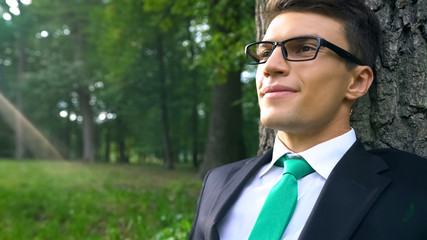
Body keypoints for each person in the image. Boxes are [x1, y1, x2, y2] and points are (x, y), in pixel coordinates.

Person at [189, 0, 427, 239]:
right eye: (265, 52)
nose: (270, 66)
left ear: (356, 82)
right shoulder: (217, 182)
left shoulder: (415, 186)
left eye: (304, 48)